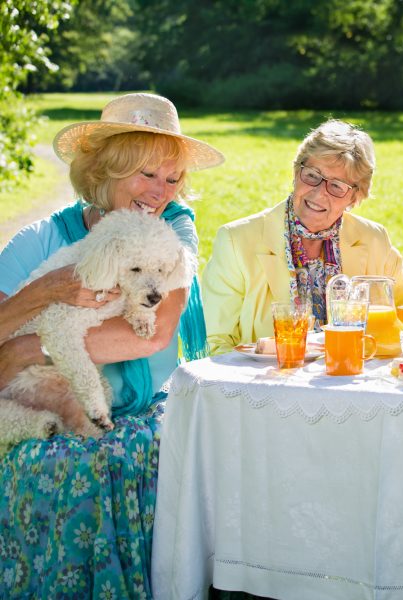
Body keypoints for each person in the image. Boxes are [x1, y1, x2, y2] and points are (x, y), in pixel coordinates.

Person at [0, 93, 223, 595]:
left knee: (122, 459)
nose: (160, 192)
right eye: (146, 174)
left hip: (143, 410)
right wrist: (44, 291)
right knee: (47, 465)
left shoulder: (174, 230)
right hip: (43, 405)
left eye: (171, 179)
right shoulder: (39, 239)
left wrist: (25, 349)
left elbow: (154, 334)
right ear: (105, 169)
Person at [202, 118, 403, 354]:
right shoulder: (236, 240)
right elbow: (216, 343)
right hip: (270, 382)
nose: (319, 193)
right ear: (296, 171)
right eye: (312, 175)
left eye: (336, 186)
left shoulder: (373, 239)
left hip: (351, 379)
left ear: (355, 197)